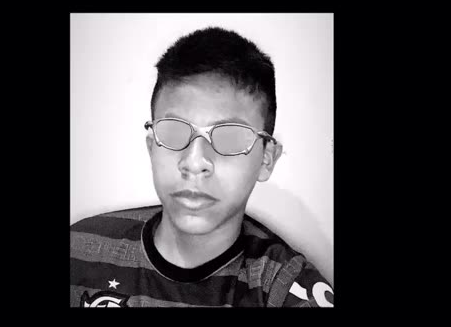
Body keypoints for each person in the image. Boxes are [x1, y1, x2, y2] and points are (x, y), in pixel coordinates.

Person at [70, 26, 334, 307]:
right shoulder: (80, 251)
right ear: (152, 146)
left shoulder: (285, 288)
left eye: (230, 138)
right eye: (174, 132)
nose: (194, 163)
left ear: (266, 159)